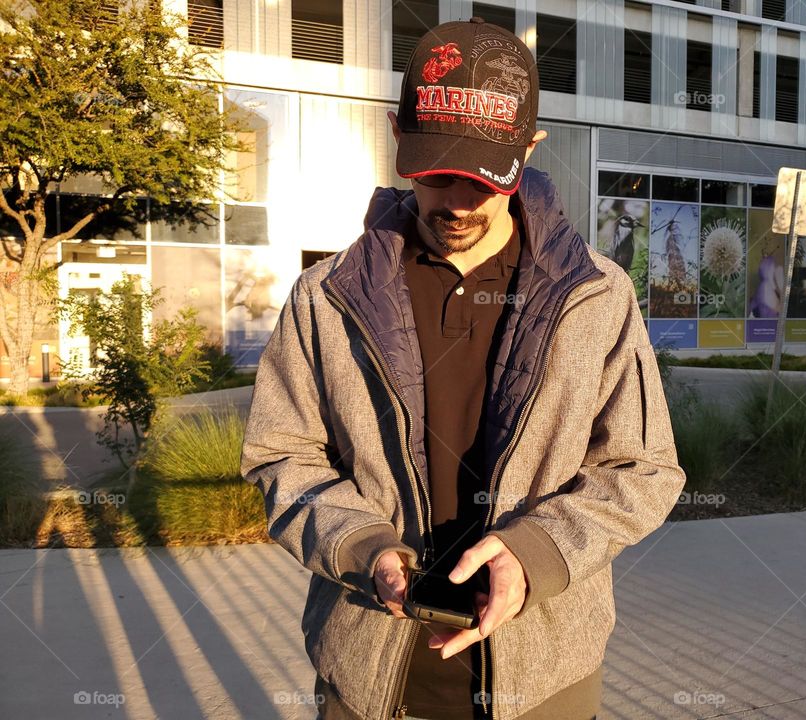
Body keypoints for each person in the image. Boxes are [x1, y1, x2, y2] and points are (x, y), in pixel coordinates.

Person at [240, 16, 686, 720]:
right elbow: (281, 456)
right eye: (436, 171)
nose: (455, 200)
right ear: (396, 134)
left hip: (546, 681)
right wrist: (361, 547)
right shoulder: (326, 297)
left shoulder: (596, 297)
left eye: (483, 176)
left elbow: (644, 470)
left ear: (530, 147)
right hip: (367, 673)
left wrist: (536, 555)